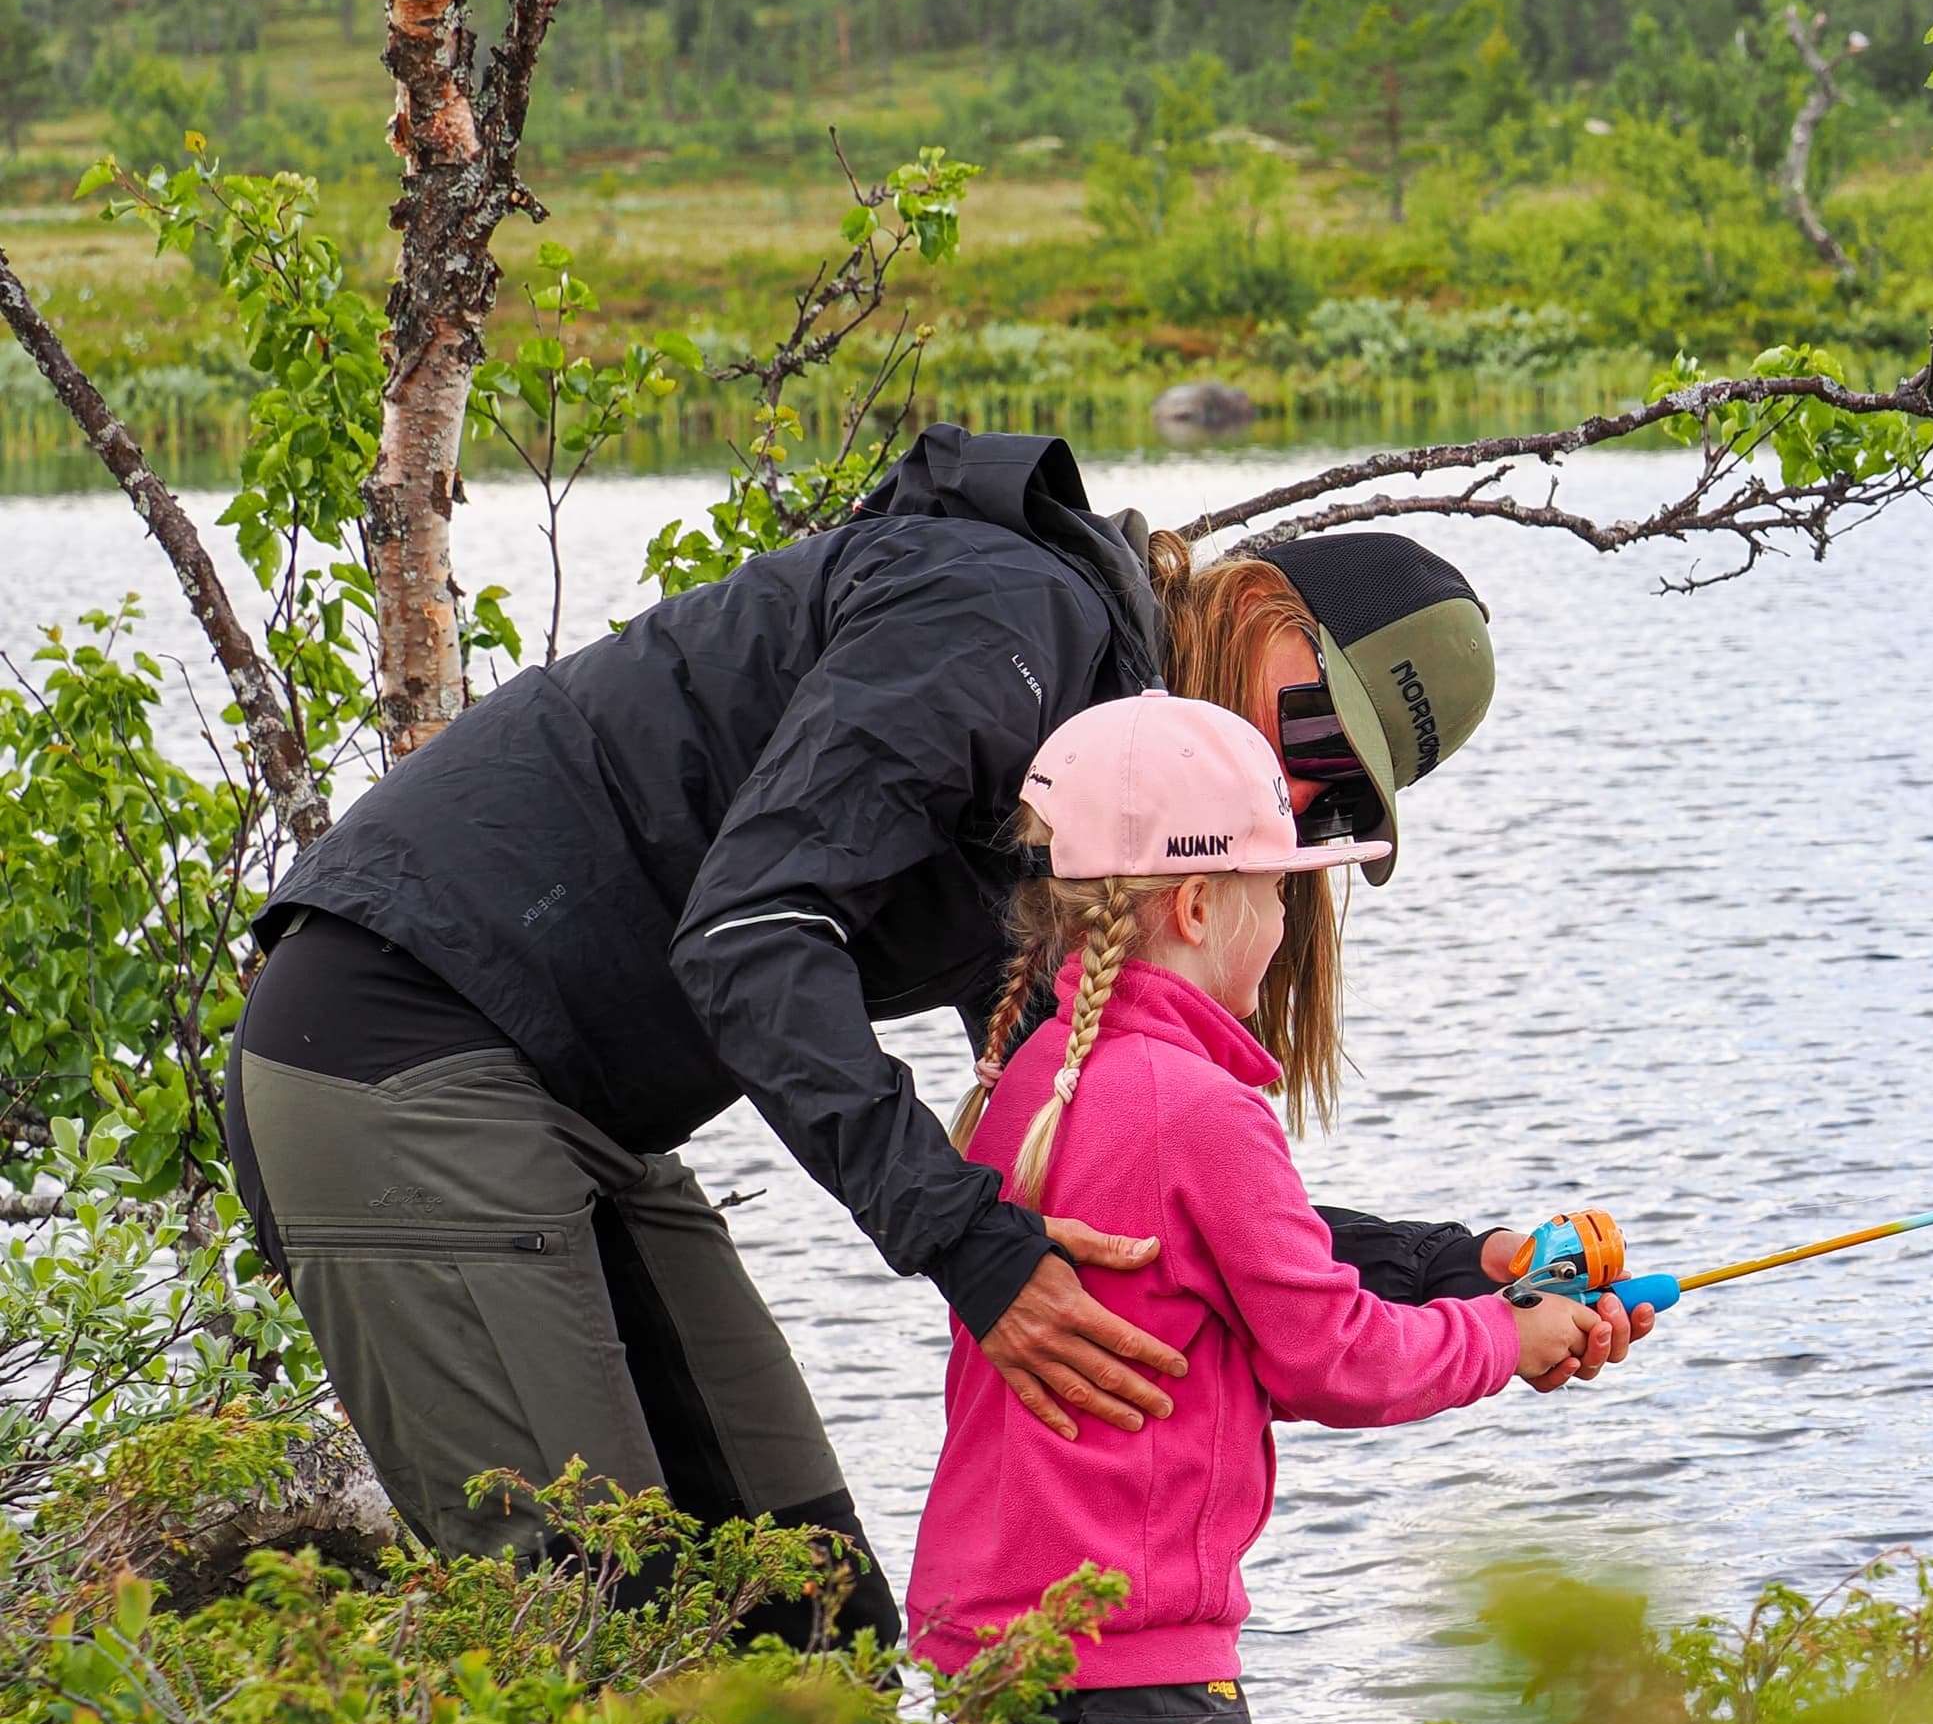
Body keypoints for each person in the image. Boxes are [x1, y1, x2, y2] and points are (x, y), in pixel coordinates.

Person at [222, 426, 1643, 1641]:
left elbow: (1140, 1165)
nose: (1293, 783)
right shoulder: (1002, 621)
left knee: (810, 1620)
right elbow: (751, 933)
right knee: (596, 1634)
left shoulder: (1098, 815)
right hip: (399, 1046)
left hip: (577, 1109)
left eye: (1335, 800)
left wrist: (1464, 1270)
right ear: (1256, 605)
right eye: (1314, 729)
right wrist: (969, 1247)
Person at [906, 691, 1612, 1724]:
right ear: (1195, 904)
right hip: (1140, 1694)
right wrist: (1505, 1337)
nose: (1288, 921)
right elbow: (1335, 1355)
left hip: (991, 1674)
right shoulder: (1201, 1111)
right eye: (1279, 889)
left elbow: (1208, 1340)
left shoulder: (1029, 1085)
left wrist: (1473, 1284)